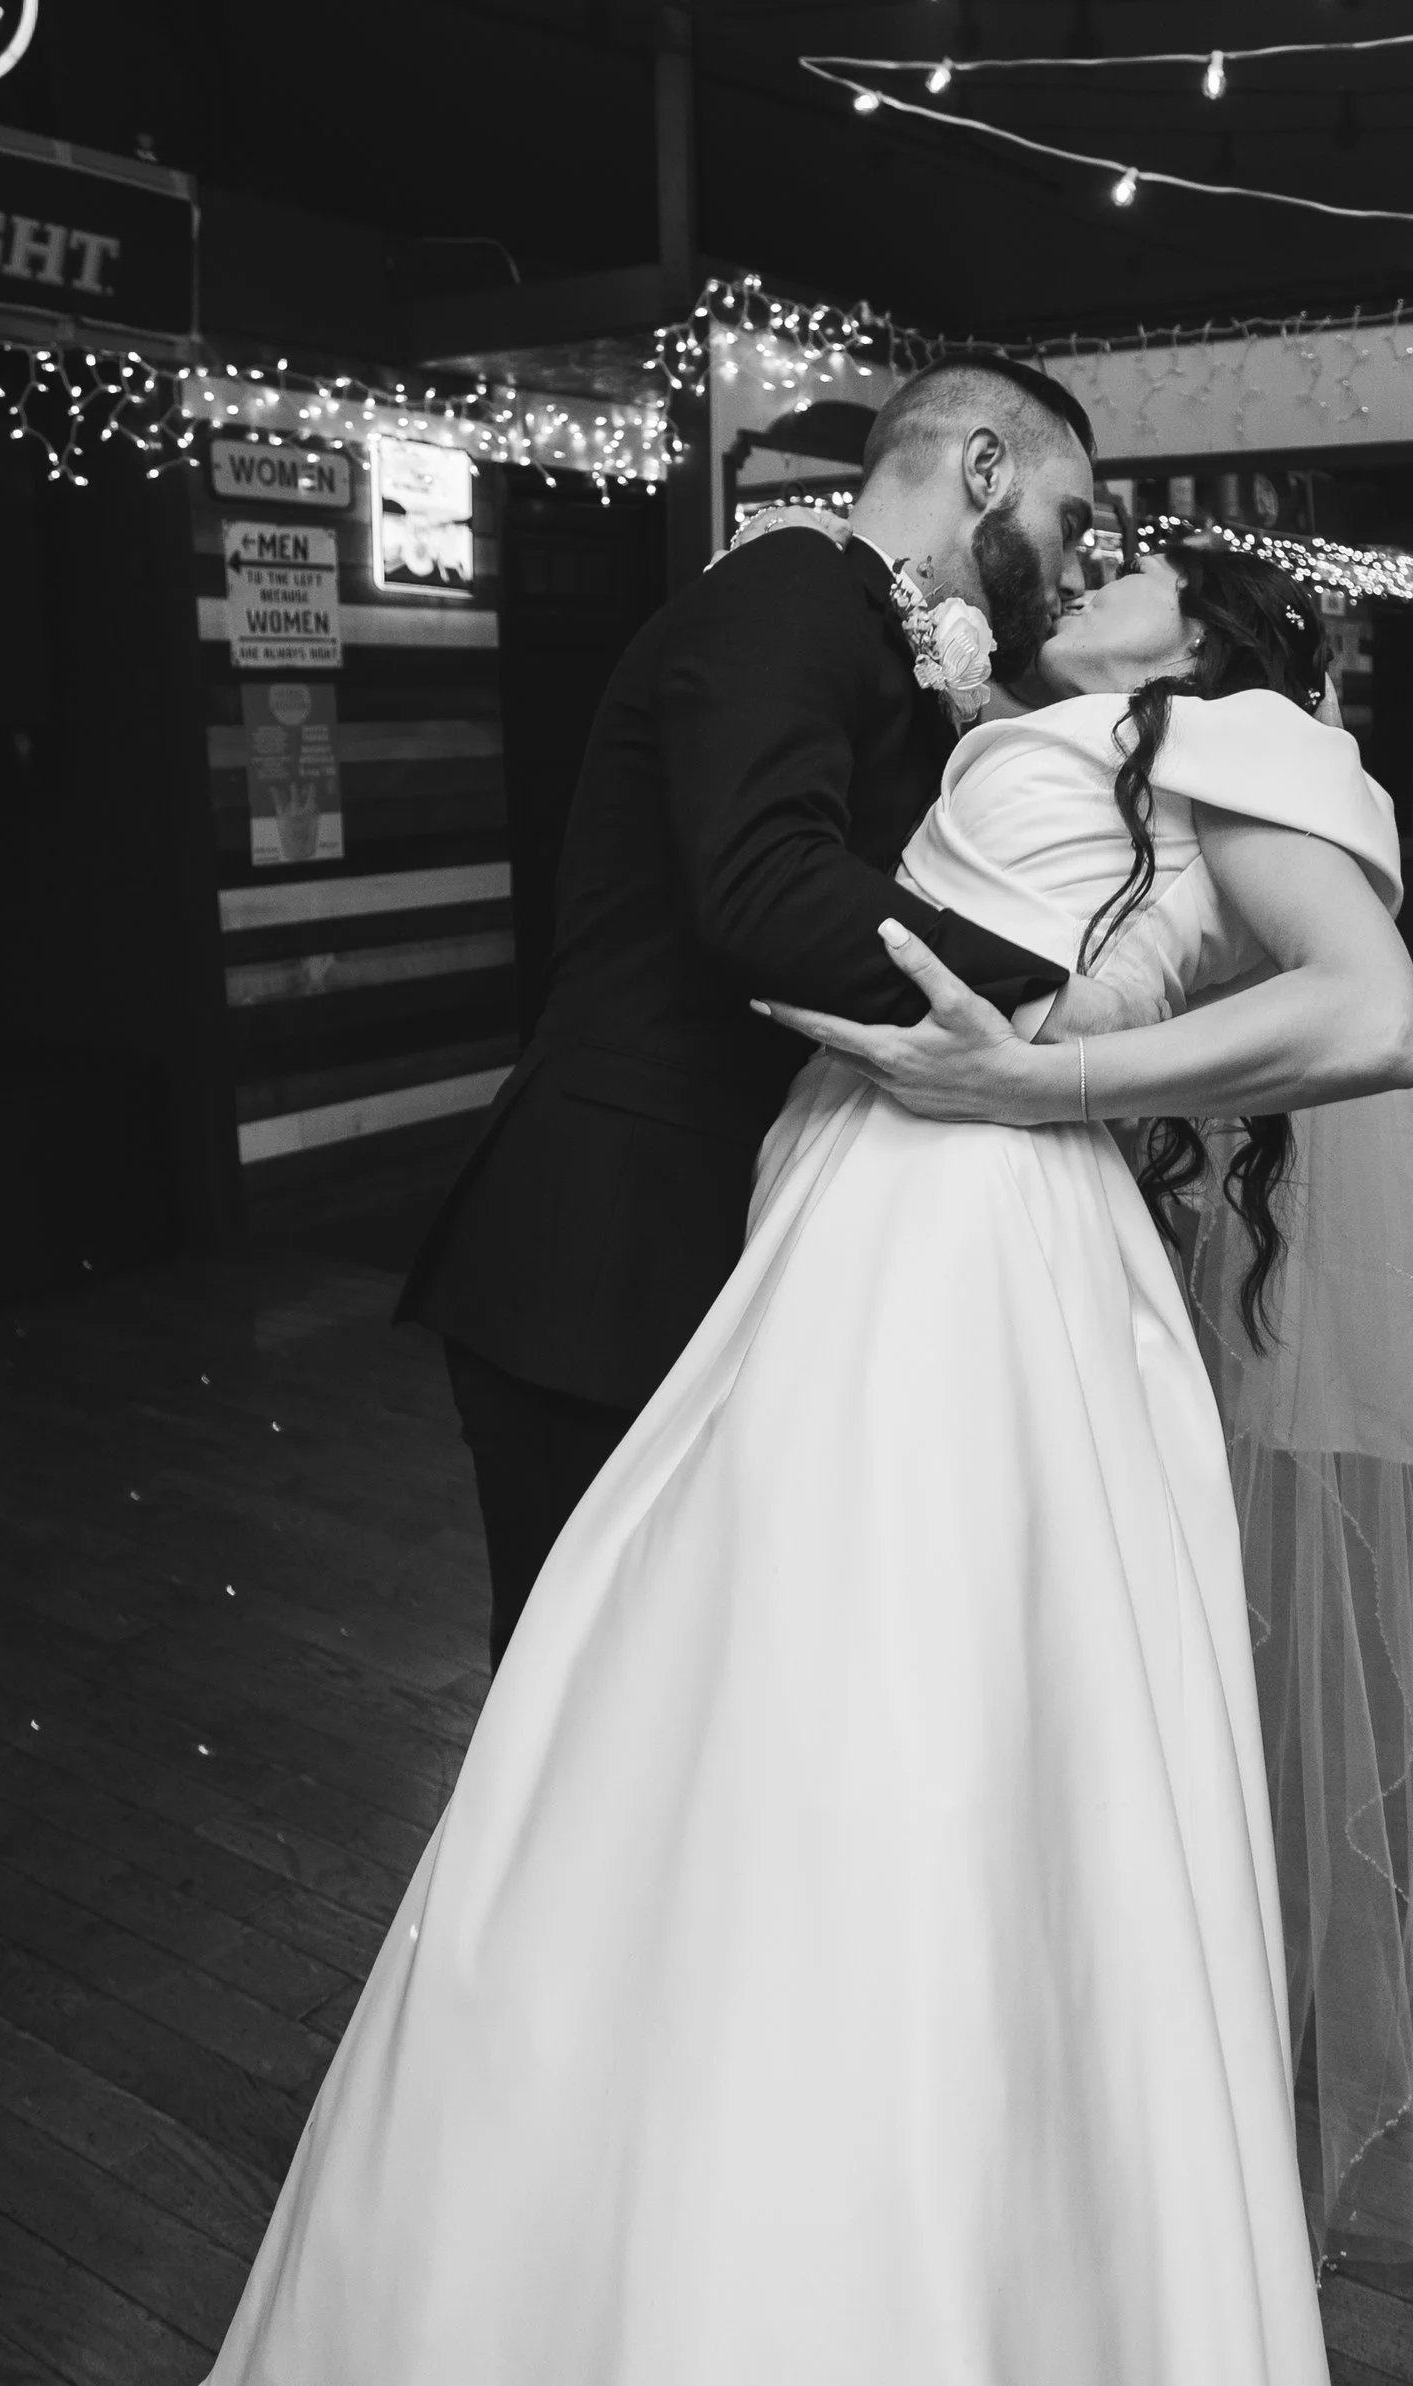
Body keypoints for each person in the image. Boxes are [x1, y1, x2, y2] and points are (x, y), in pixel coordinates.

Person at [196, 537, 1413, 2386]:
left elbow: (1365, 1012)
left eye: (1128, 556)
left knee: (915, 1862)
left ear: (1202, 633)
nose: (1079, 568)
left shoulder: (1226, 738)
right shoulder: (1027, 731)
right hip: (840, 1263)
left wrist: (1015, 1086)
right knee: (680, 1813)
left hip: (978, 1284)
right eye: (1068, 542)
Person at [399, 354, 1154, 1665]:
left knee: (694, 1683)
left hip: (725, 1238)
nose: (1078, 566)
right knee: (581, 1680)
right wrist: (1063, 1008)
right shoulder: (786, 592)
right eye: (1070, 519)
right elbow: (763, 890)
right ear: (983, 468)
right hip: (605, 1249)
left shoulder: (884, 636)